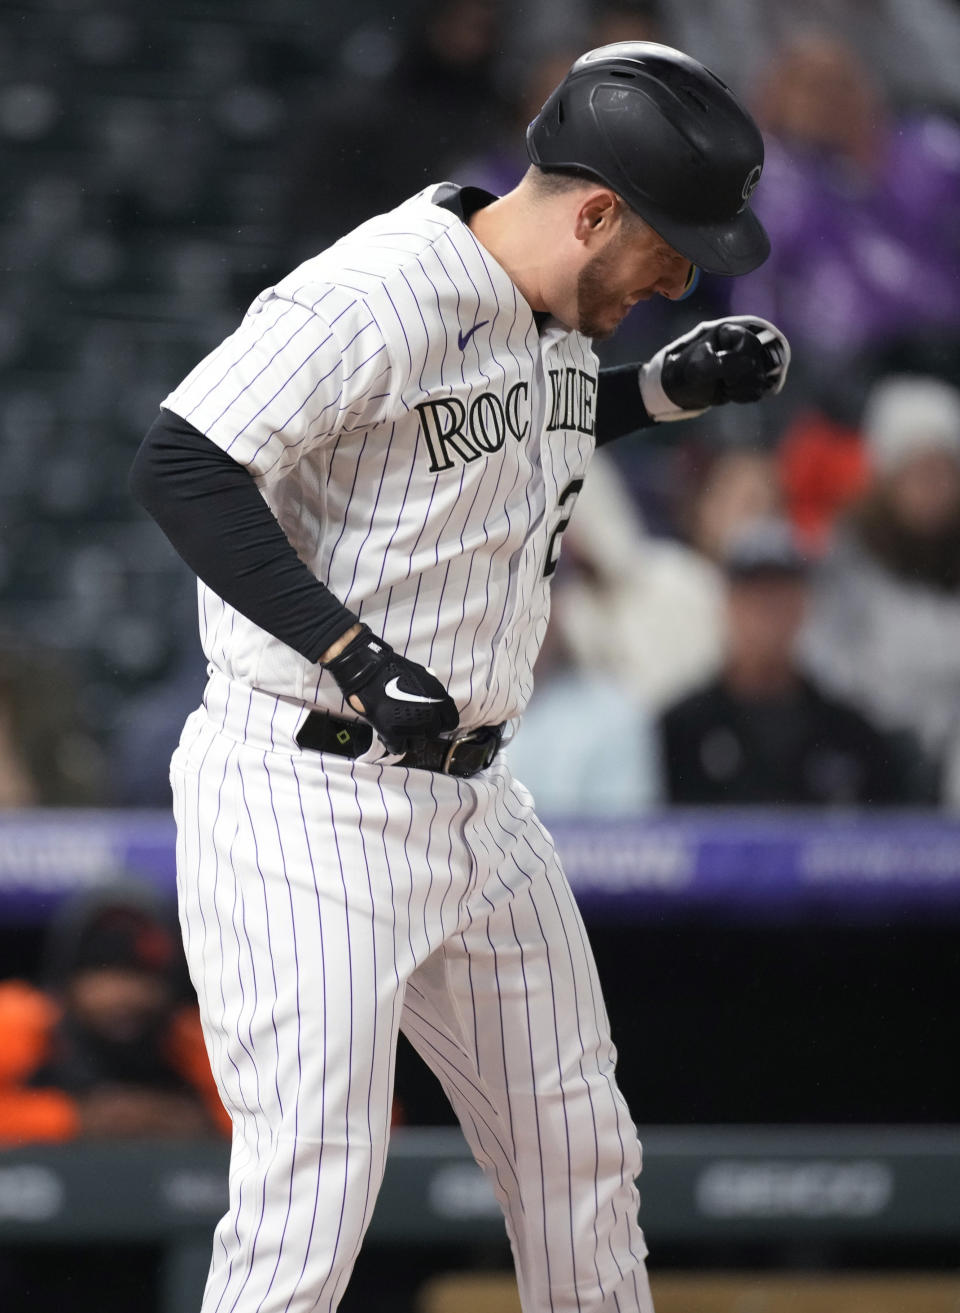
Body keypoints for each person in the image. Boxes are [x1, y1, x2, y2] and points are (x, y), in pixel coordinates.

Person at [130, 42, 789, 1313]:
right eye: (673, 242)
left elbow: (486, 425)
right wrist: (354, 653)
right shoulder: (375, 291)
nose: (687, 273)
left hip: (476, 804)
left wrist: (658, 389)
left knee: (580, 1154)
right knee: (311, 1193)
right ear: (595, 210)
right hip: (307, 792)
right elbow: (184, 462)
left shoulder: (545, 296)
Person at [660, 516, 913, 806]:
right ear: (728, 605)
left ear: (803, 605)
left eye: (780, 594)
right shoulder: (679, 733)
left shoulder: (851, 736)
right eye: (754, 595)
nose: (767, 612)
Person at [801, 375, 960, 804]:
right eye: (918, 472)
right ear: (888, 478)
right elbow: (826, 666)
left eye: (944, 471)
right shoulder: (845, 558)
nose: (933, 487)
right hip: (871, 756)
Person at [0, 884, 230, 1144]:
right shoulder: (22, 1022)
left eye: (140, 976)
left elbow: (268, 1122)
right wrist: (74, 1118)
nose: (122, 994)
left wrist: (187, 1119)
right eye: (102, 974)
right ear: (67, 981)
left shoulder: (195, 1038)